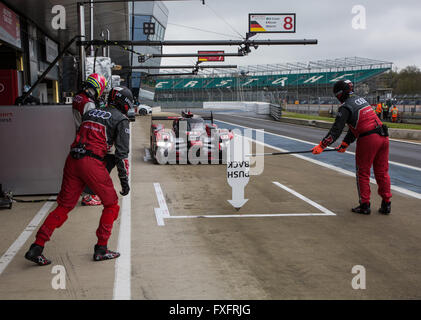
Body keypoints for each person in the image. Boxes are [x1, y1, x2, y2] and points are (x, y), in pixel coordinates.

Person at [24, 86, 133, 266]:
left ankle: (37, 247)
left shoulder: (91, 112)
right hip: (91, 162)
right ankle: (101, 248)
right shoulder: (121, 119)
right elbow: (121, 155)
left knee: (64, 206)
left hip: (72, 160)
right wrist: (124, 182)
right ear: (126, 103)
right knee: (112, 204)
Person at [311, 80, 392, 215]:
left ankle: (365, 205)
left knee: (363, 172)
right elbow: (357, 125)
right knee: (382, 172)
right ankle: (386, 203)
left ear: (340, 94)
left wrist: (322, 145)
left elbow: (336, 129)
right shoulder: (360, 100)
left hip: (368, 139)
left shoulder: (345, 107)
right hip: (383, 136)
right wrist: (346, 143)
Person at [72, 73, 107, 206]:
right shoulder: (89, 103)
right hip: (87, 138)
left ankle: (82, 192)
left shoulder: (79, 97)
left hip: (78, 134)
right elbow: (92, 123)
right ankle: (88, 197)